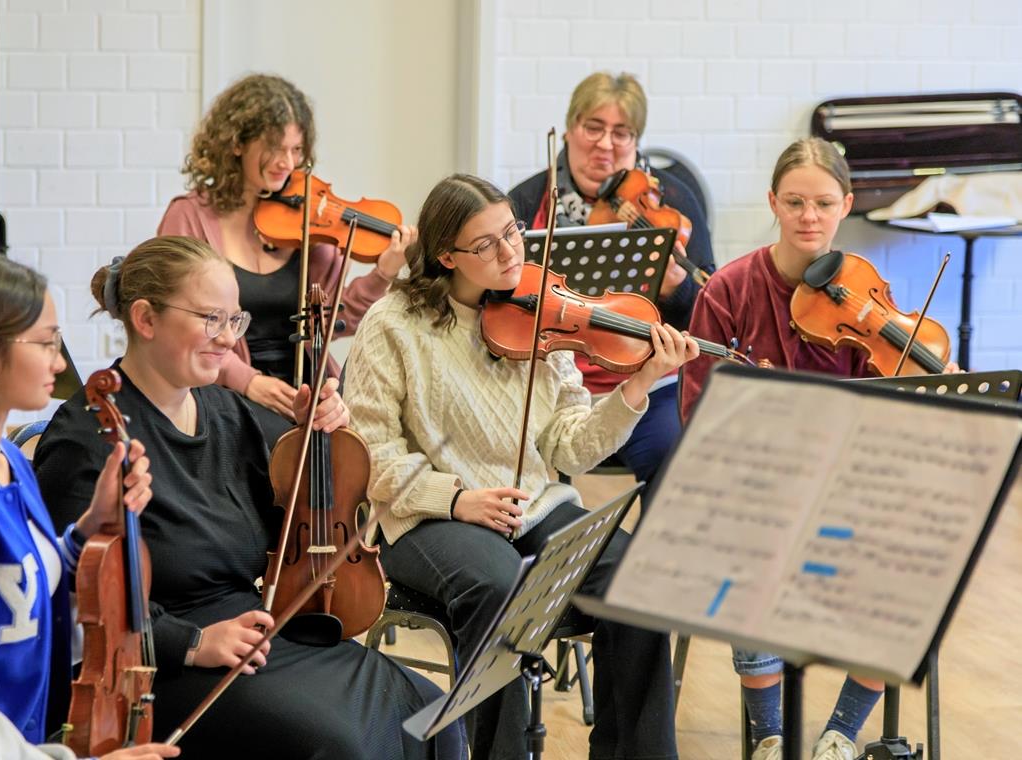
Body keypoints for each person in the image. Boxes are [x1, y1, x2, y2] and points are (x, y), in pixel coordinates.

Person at [33, 236, 463, 759]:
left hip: (256, 631)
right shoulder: (85, 438)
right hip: (159, 663)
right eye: (211, 319)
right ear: (145, 319)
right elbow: (77, 603)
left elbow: (285, 531)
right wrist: (194, 644)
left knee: (432, 710)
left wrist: (320, 445)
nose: (226, 339)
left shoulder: (226, 412)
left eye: (234, 321)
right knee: (340, 744)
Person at [344, 174, 700, 760]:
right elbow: (371, 454)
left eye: (512, 232)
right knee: (498, 583)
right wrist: (458, 499)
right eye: (486, 245)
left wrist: (638, 384)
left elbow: (570, 449)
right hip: (426, 516)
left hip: (533, 507)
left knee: (638, 578)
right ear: (445, 255)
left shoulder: (540, 314)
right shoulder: (392, 325)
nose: (510, 252)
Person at [680, 137, 955, 760]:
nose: (809, 216)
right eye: (796, 201)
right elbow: (701, 418)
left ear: (846, 205)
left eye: (824, 203)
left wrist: (930, 383)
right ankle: (769, 735)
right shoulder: (726, 293)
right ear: (773, 202)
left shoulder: (868, 294)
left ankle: (840, 735)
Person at [0, 252, 179, 760]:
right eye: (45, 343)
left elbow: (18, 595)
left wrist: (91, 527)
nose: (61, 363)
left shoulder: (9, 463)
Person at [157, 73, 415, 446]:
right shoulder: (190, 217)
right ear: (236, 144)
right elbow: (179, 323)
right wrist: (248, 380)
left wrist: (383, 274)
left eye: (296, 150)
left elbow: (330, 325)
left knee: (366, 441)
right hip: (223, 389)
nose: (287, 163)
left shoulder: (308, 223)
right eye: (275, 148)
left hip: (307, 388)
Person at [509, 71, 716, 485]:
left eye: (622, 133)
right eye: (593, 127)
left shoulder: (671, 201)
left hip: (648, 385)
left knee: (677, 455)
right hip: (554, 389)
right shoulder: (527, 201)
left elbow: (708, 312)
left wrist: (677, 287)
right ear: (569, 130)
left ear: (637, 140)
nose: (605, 145)